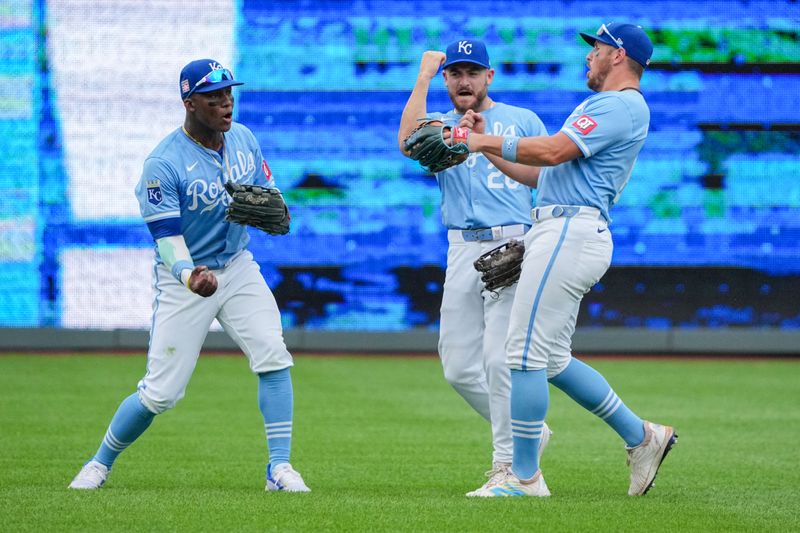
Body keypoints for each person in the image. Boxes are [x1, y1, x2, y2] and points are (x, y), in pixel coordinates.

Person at [454, 23, 677, 497]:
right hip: (562, 225)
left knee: (522, 355)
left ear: (617, 55)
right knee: (551, 358)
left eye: (595, 48)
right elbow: (539, 174)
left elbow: (554, 150)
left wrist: (480, 141)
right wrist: (489, 141)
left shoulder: (619, 104)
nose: (588, 56)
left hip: (570, 231)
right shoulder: (608, 105)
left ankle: (523, 477)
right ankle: (643, 437)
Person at [68, 59, 310, 492]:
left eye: (228, 92)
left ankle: (279, 469)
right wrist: (186, 275)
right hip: (185, 278)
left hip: (237, 266)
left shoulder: (244, 140)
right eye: (213, 96)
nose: (225, 102)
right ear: (189, 102)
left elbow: (268, 194)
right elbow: (166, 236)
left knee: (273, 354)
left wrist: (276, 206)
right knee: (160, 393)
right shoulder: (163, 163)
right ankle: (99, 463)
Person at [398, 39, 552, 496]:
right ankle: (529, 433)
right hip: (462, 250)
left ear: (489, 76)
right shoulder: (440, 125)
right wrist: (422, 76)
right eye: (455, 72)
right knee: (459, 367)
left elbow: (548, 173)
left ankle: (509, 468)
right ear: (446, 79)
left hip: (513, 242)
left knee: (498, 361)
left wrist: (538, 238)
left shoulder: (521, 119)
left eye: (473, 71)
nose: (464, 80)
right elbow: (407, 144)